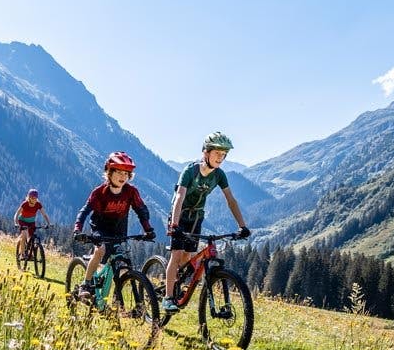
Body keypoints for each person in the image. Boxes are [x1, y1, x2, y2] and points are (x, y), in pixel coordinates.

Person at [162, 132, 250, 312]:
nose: (221, 158)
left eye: (224, 154)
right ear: (206, 152)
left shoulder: (219, 175)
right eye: (217, 153)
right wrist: (175, 225)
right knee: (177, 255)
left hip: (196, 217)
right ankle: (167, 297)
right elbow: (179, 197)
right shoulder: (190, 171)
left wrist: (243, 226)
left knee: (188, 257)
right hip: (180, 215)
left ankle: (178, 284)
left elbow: (231, 200)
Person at [72, 152, 156, 298]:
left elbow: (141, 210)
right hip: (100, 228)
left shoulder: (131, 192)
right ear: (109, 172)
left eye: (126, 173)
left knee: (118, 262)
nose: (123, 176)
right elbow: (84, 211)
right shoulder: (99, 192)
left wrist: (148, 229)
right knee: (100, 250)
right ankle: (86, 284)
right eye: (118, 172)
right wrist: (77, 229)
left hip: (119, 230)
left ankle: (114, 298)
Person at [13, 188, 53, 260]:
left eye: (35, 198)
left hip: (31, 222)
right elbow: (17, 213)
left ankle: (31, 255)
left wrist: (49, 223)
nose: (34, 199)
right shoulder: (25, 204)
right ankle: (22, 254)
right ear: (29, 197)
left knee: (31, 238)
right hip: (22, 221)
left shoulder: (38, 204)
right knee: (24, 235)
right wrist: (16, 223)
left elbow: (44, 214)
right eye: (32, 198)